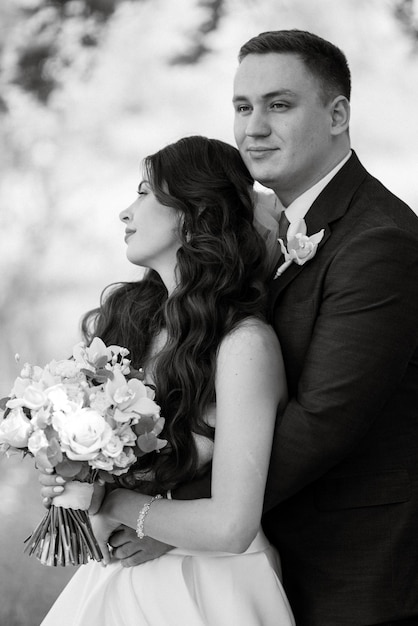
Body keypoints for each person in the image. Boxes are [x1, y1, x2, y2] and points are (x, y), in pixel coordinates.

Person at [78, 30, 418, 626]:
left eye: (279, 105)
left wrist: (170, 514)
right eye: (242, 107)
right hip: (261, 560)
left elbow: (322, 421)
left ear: (338, 114)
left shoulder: (378, 241)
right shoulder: (273, 230)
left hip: (354, 568)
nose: (254, 127)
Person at [39, 136, 295, 625]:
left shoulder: (243, 345)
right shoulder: (130, 327)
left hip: (209, 585)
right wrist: (70, 472)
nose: (125, 212)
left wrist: (113, 500)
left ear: (192, 213)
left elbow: (230, 525)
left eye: (143, 193)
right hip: (119, 577)